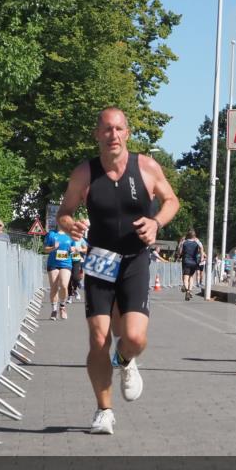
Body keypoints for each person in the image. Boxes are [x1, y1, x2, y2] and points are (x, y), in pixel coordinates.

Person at [56, 107, 180, 435]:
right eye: (107, 129)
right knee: (98, 338)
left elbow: (171, 201)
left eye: (119, 129)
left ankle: (125, 360)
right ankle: (104, 411)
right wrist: (72, 225)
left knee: (134, 337)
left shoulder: (146, 167)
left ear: (127, 133)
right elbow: (64, 213)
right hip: (100, 258)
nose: (113, 135)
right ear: (97, 134)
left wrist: (156, 222)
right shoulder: (84, 173)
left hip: (135, 258)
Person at [43, 227, 74, 320]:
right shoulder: (51, 234)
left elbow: (75, 247)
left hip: (66, 263)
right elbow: (45, 249)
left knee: (64, 285)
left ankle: (62, 306)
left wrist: (73, 249)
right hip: (53, 264)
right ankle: (54, 310)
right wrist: (53, 247)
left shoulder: (70, 234)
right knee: (54, 287)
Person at [177, 230, 204, 300]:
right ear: (194, 236)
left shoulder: (184, 242)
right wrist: (202, 257)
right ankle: (190, 290)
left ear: (187, 235)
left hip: (186, 262)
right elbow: (201, 247)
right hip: (194, 262)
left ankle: (187, 291)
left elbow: (180, 252)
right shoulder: (197, 242)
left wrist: (180, 252)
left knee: (185, 278)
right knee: (191, 277)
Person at [68, 234, 88, 303]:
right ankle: (69, 296)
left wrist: (80, 249)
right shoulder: (66, 237)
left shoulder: (80, 239)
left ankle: (75, 290)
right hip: (67, 260)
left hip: (76, 260)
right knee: (68, 279)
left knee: (76, 278)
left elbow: (86, 249)